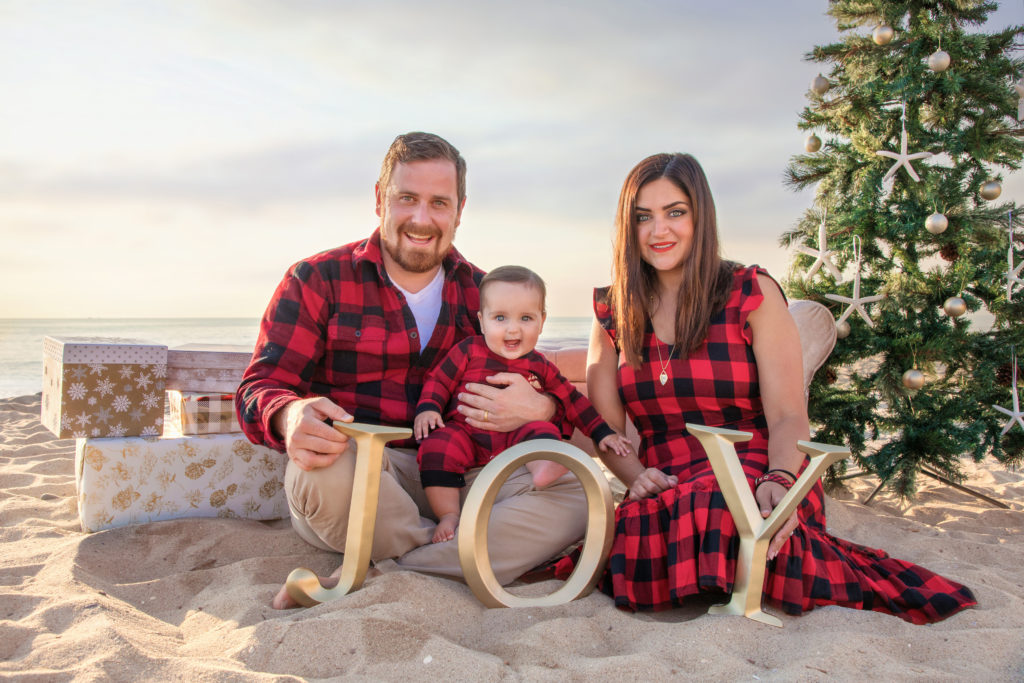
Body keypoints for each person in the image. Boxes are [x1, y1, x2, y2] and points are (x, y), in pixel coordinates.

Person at [575, 152, 976, 623]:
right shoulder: (613, 309)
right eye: (643, 217)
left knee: (726, 507)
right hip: (664, 482)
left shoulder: (750, 291)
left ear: (700, 216)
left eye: (675, 212)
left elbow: (788, 413)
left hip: (758, 466)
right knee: (639, 529)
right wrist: (635, 478)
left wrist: (783, 481)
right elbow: (605, 430)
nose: (659, 231)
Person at [236, 132, 588, 609]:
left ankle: (379, 570)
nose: (422, 219)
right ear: (380, 198)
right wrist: (289, 415)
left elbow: (549, 397)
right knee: (323, 472)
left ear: (459, 210)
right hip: (364, 472)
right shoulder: (317, 279)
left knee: (579, 493)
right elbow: (262, 385)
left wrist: (541, 405)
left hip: (465, 473)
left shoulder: (489, 297)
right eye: (407, 199)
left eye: (439, 203)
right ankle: (453, 550)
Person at [414, 265, 633, 543]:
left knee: (543, 432)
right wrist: (429, 407)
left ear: (542, 321)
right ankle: (448, 514)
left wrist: (603, 433)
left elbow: (574, 400)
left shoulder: (539, 365)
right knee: (438, 445)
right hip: (466, 433)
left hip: (517, 440)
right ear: (482, 321)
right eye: (501, 318)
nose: (513, 329)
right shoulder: (469, 350)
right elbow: (439, 380)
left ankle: (544, 467)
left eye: (526, 318)